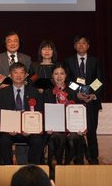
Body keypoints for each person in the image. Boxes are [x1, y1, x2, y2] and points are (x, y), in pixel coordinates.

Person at [64, 36, 104, 165]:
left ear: (88, 46)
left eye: (84, 43)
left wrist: (92, 94)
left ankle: (93, 158)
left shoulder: (95, 61)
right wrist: (77, 93)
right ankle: (78, 157)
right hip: (75, 102)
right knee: (76, 132)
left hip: (91, 102)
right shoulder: (68, 61)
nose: (81, 45)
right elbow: (68, 81)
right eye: (78, 43)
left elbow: (99, 80)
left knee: (91, 132)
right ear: (75, 46)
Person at [0, 62, 45, 164]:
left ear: (26, 75)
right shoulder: (2, 93)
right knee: (3, 140)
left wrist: (31, 129)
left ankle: (32, 168)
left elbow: (39, 112)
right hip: (10, 130)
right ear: (10, 75)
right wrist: (8, 128)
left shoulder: (34, 92)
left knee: (37, 140)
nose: (18, 75)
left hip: (29, 129)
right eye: (15, 72)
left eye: (21, 72)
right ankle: (7, 168)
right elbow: (0, 113)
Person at [42, 64, 86, 166]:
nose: (59, 76)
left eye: (62, 73)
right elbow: (45, 111)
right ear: (52, 76)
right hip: (54, 128)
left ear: (66, 75)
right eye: (56, 74)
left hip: (71, 127)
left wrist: (80, 127)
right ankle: (56, 167)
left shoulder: (73, 92)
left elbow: (78, 111)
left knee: (74, 138)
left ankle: (68, 166)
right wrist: (48, 126)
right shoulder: (47, 92)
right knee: (56, 137)